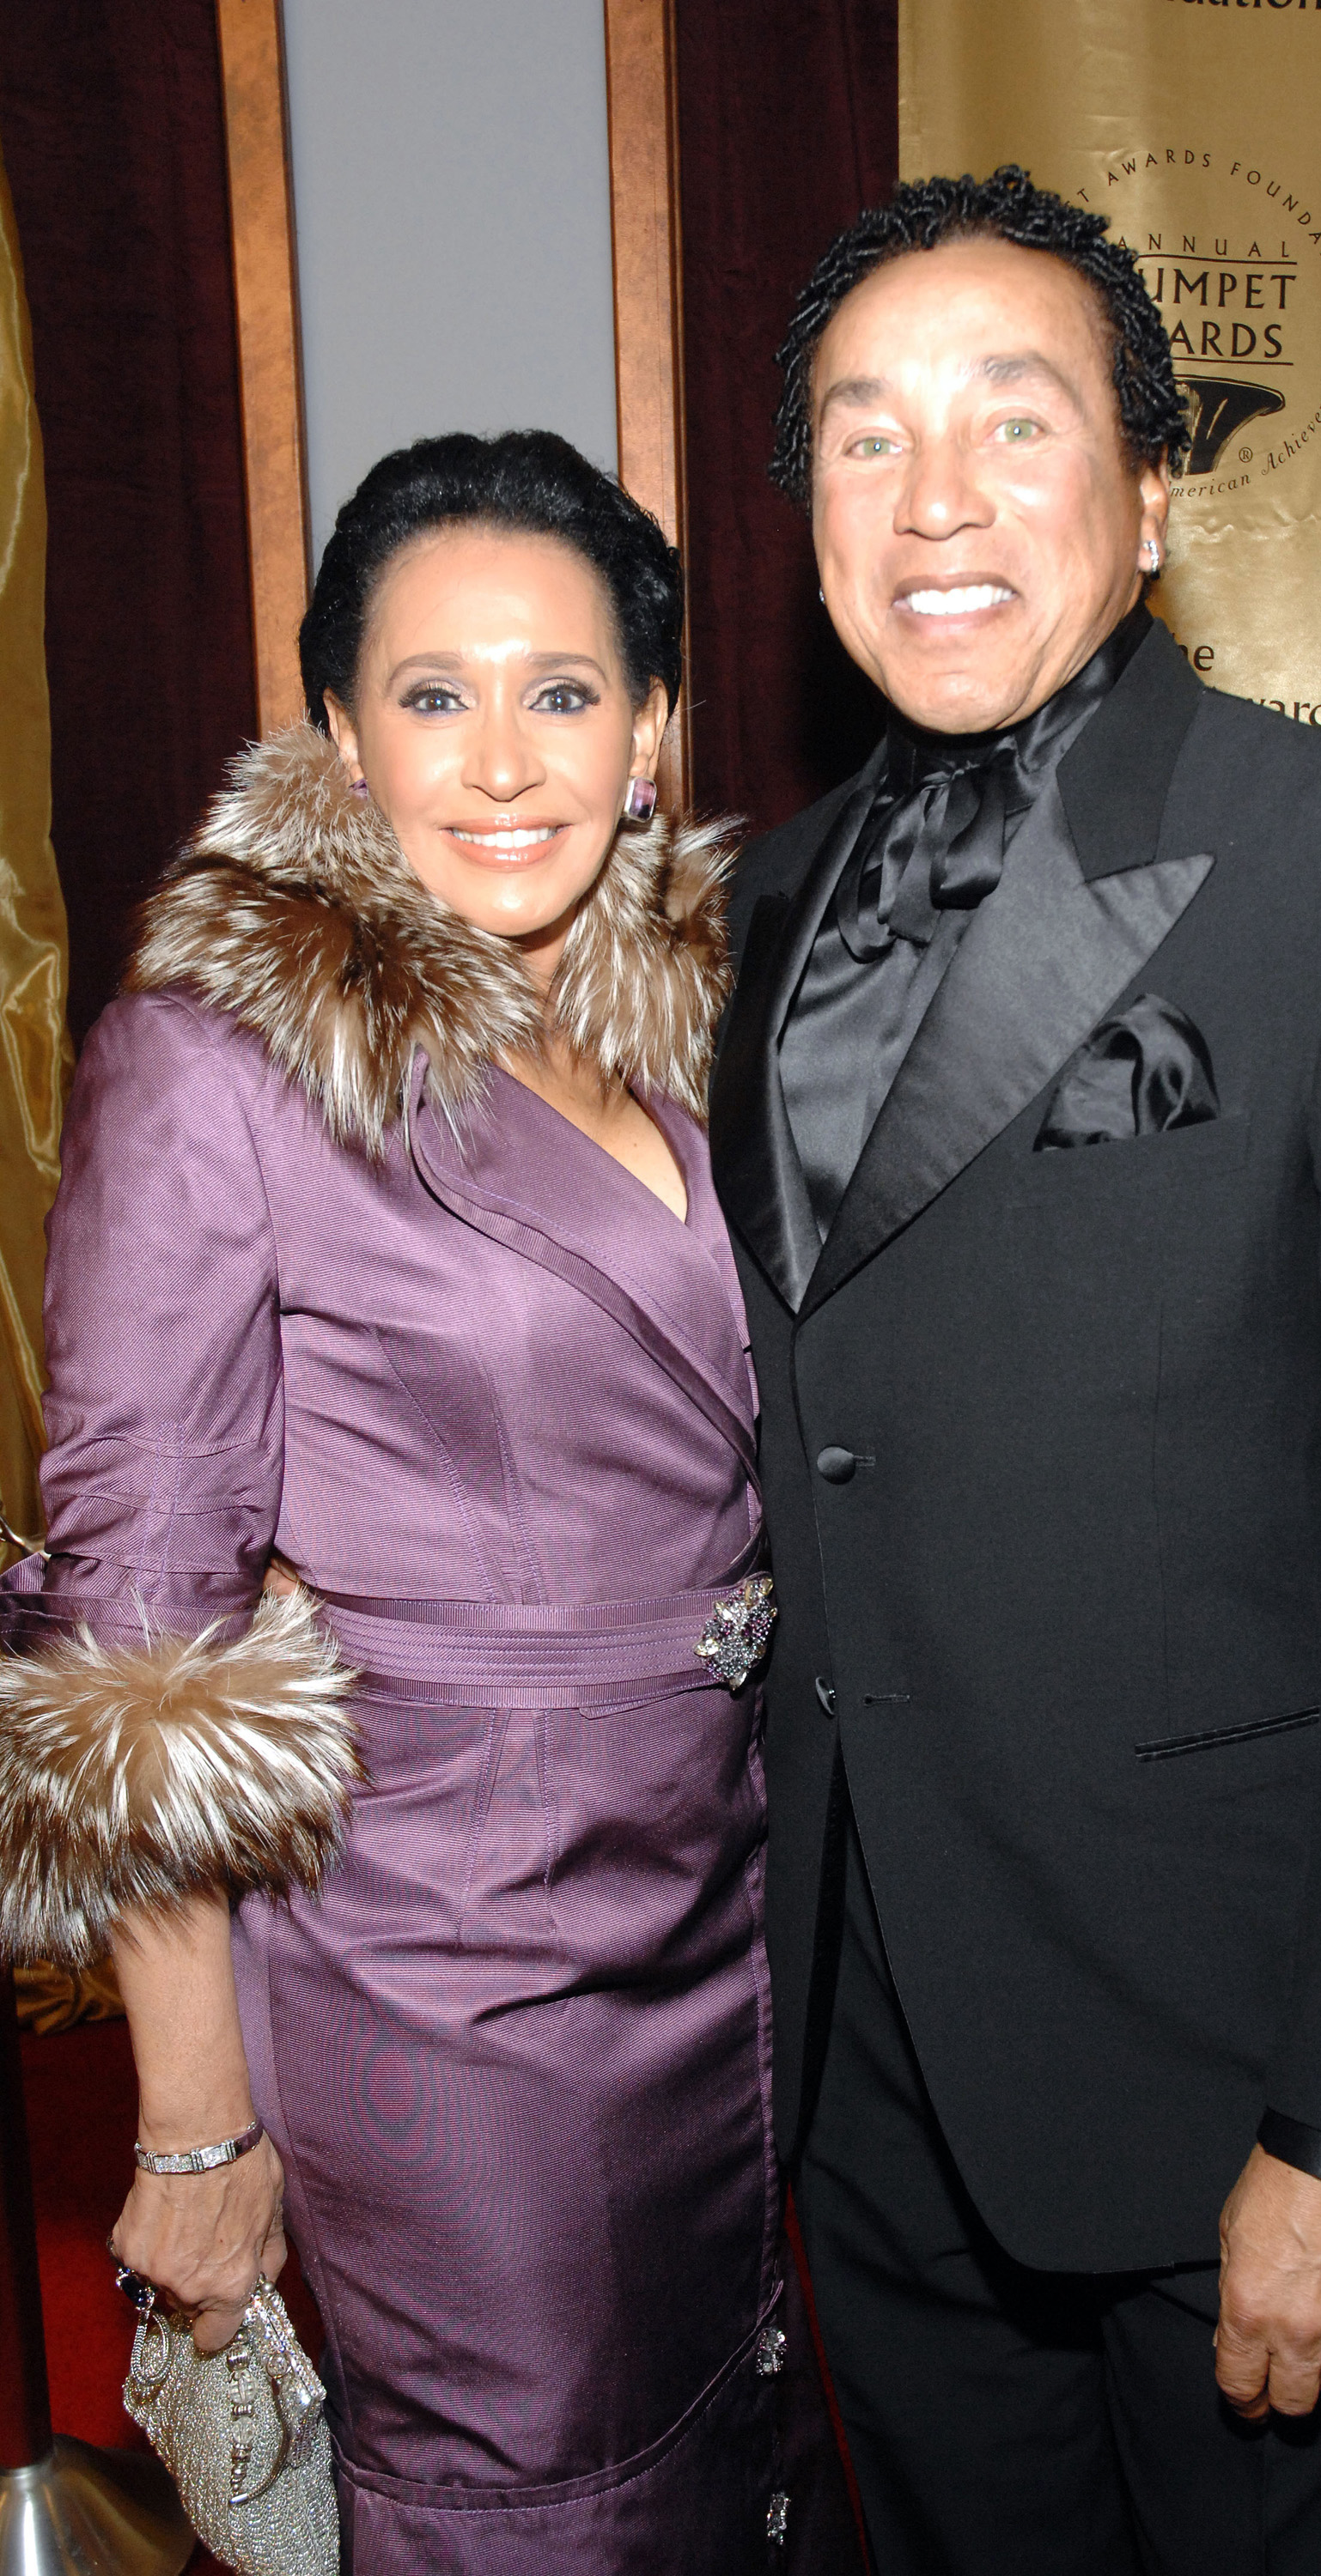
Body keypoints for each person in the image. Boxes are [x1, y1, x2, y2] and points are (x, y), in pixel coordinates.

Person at [707, 167, 1321, 2575]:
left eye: (1012, 425)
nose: (934, 503)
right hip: (865, 2034)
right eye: (861, 436)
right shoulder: (742, 910)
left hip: (1225, 2059)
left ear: (1155, 485)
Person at [0, 430, 788, 2570]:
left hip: (734, 1908)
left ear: (651, 737)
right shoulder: (218, 1064)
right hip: (447, 1965)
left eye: (562, 690)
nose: (502, 757)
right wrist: (193, 2119)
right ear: (340, 738)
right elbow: (141, 1651)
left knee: (729, 2470)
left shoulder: (708, 1025)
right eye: (433, 695)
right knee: (530, 2508)